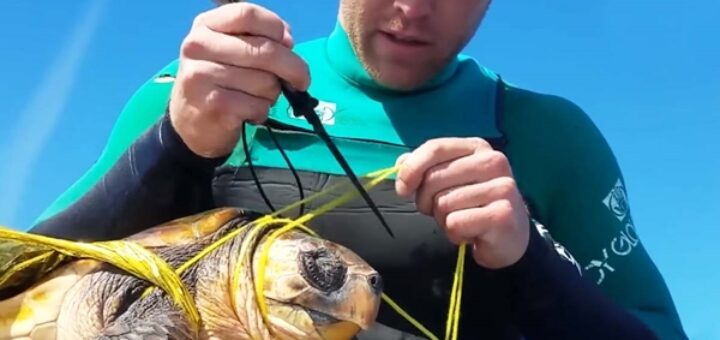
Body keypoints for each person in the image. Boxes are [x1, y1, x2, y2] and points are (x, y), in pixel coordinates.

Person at [28, 0, 687, 339]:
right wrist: (174, 145)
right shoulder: (206, 91)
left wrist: (528, 264)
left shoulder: (548, 136)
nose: (414, 9)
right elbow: (24, 286)